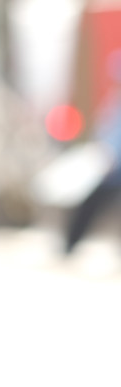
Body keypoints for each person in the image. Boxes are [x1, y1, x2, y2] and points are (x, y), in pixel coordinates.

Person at [64, 49, 121, 254]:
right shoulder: (115, 102)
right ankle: (69, 245)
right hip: (109, 168)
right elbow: (107, 130)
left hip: (113, 168)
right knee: (89, 207)